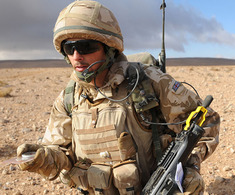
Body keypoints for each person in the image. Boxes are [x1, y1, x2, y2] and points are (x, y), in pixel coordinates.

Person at [16, 1, 220, 194]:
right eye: (69, 48)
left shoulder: (148, 82)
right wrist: (43, 158)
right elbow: (61, 151)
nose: (77, 56)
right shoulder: (69, 99)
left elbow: (206, 122)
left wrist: (188, 167)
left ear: (109, 47)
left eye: (86, 47)